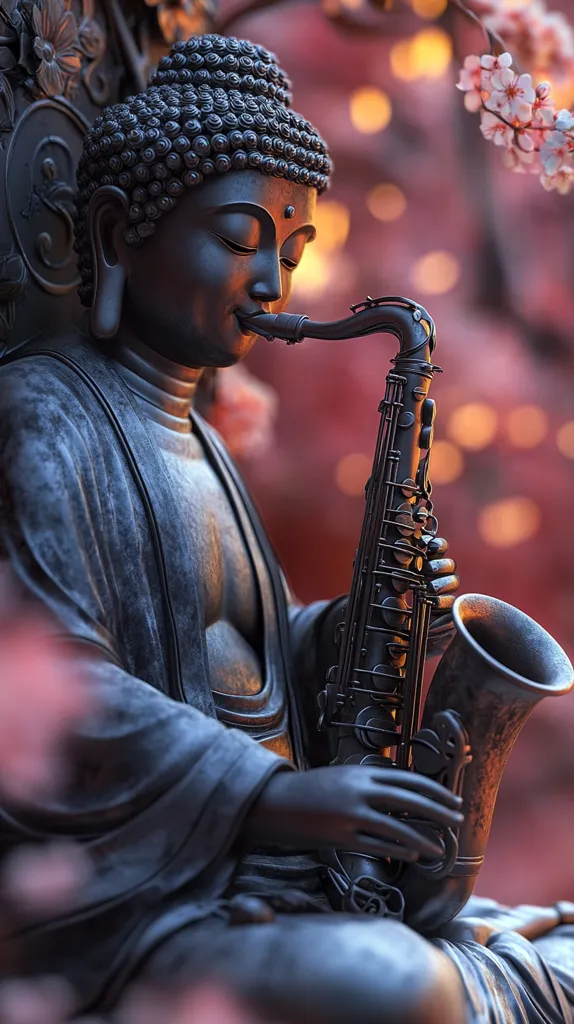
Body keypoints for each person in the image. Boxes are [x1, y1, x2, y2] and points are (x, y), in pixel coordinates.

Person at [0, 32, 572, 1024]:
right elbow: (48, 682)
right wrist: (263, 797)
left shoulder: (203, 443)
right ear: (114, 231)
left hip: (269, 871)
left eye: (293, 249)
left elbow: (238, 671)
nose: (274, 279)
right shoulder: (47, 414)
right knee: (388, 984)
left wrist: (365, 625)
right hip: (140, 902)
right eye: (240, 235)